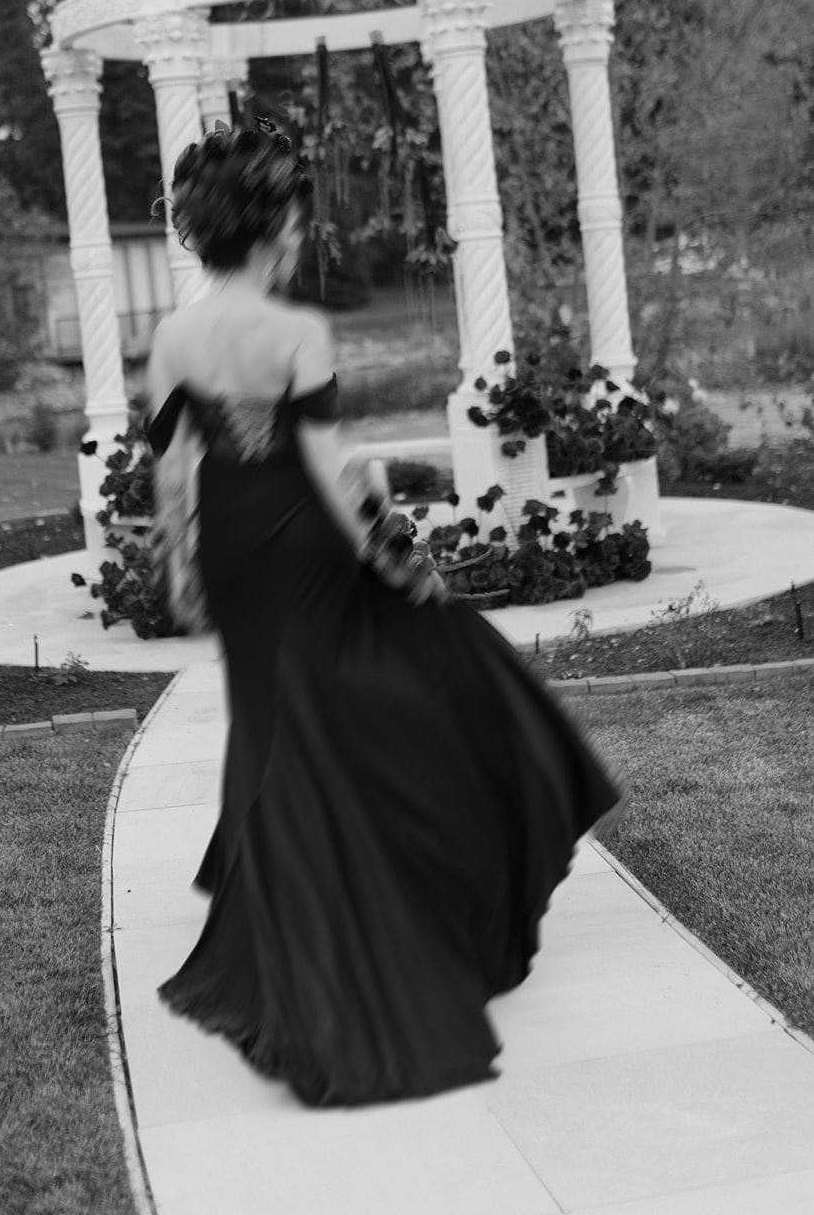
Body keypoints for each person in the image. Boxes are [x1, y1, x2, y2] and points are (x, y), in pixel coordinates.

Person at [145, 118, 624, 1109]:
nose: (296, 228)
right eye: (290, 212)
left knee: (273, 721)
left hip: (235, 548)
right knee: (409, 689)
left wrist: (181, 568)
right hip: (304, 542)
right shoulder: (297, 332)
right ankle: (365, 917)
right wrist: (391, 555)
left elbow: (169, 470)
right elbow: (326, 469)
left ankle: (281, 899)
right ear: (268, 222)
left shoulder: (173, 336)